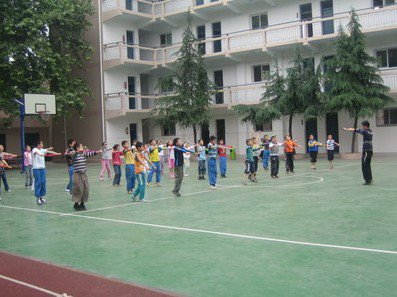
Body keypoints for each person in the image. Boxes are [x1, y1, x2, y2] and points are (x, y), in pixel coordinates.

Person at [70, 143, 100, 210]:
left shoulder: (83, 154)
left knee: (86, 188)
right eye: (81, 146)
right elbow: (73, 155)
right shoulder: (74, 154)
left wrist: (96, 152)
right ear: (77, 148)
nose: (82, 147)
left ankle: (82, 203)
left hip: (83, 174)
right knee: (78, 188)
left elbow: (89, 154)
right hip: (77, 174)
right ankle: (76, 204)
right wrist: (77, 152)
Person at [343, 121, 374, 185]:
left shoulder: (365, 131)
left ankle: (367, 180)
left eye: (363, 126)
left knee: (364, 166)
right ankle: (369, 179)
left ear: (365, 126)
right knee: (367, 165)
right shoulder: (370, 131)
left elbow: (355, 129)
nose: (362, 127)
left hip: (366, 151)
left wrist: (346, 129)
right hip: (369, 151)